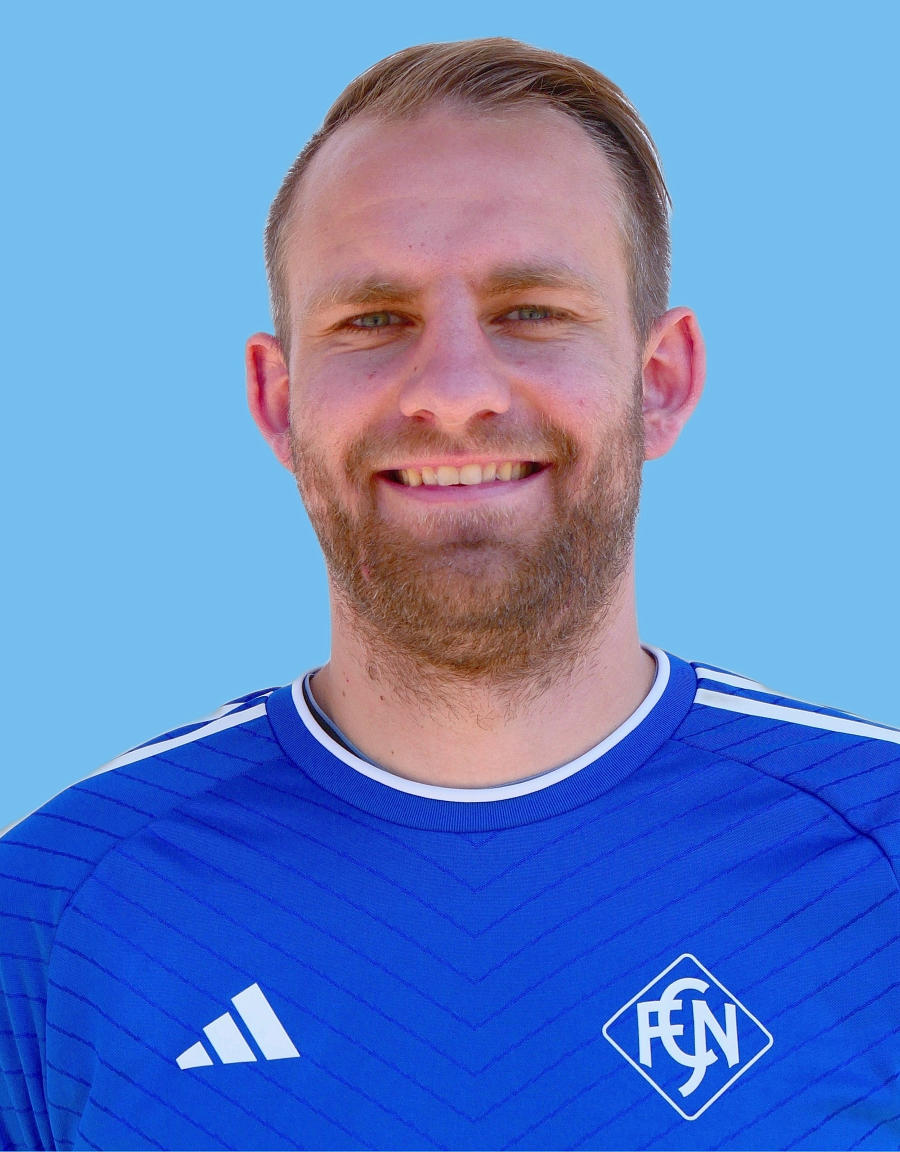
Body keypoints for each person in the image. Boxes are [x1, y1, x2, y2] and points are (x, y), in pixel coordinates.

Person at [1, 37, 897, 1152]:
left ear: (660, 382)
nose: (456, 392)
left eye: (533, 310)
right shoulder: (54, 910)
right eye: (373, 319)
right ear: (278, 399)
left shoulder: (877, 858)